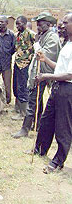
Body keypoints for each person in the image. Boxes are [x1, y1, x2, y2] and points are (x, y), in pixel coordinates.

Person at [29, 13, 72, 174]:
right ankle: (40, 149)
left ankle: (58, 161)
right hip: (58, 86)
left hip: (68, 89)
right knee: (46, 120)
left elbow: (70, 75)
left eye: (65, 22)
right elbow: (61, 68)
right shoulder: (67, 43)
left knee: (63, 126)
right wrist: (45, 59)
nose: (61, 25)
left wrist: (47, 76)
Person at [12, 12, 61, 138]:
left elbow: (43, 55)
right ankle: (37, 124)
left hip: (45, 73)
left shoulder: (52, 38)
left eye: (40, 25)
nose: (38, 27)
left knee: (33, 100)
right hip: (37, 71)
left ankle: (25, 128)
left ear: (49, 24)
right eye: (37, 25)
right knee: (37, 99)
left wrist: (37, 43)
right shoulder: (43, 35)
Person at [12, 16, 35, 120]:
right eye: (16, 24)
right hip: (17, 63)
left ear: (25, 23)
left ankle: (23, 113)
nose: (17, 26)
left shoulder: (30, 33)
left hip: (25, 64)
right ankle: (18, 108)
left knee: (23, 87)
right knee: (16, 85)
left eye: (19, 24)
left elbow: (37, 44)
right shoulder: (18, 35)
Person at [0, 16, 15, 104]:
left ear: (7, 23)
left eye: (2, 22)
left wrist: (7, 54)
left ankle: (7, 100)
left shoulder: (11, 35)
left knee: (7, 82)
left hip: (6, 62)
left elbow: (13, 48)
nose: (0, 23)